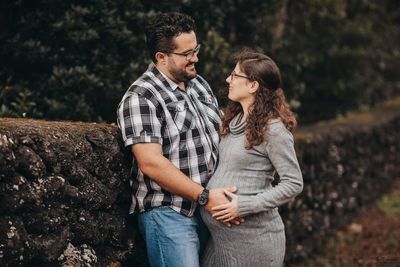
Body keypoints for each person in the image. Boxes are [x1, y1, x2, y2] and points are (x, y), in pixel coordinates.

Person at [117, 12, 237, 267]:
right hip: (169, 213)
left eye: (196, 49)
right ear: (161, 57)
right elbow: (150, 162)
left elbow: (222, 135)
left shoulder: (198, 84)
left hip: (209, 210)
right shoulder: (141, 97)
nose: (195, 58)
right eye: (187, 54)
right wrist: (204, 196)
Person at [200, 50, 304, 267]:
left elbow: (293, 183)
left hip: (255, 241)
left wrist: (245, 205)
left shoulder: (273, 130)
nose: (228, 79)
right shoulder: (232, 121)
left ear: (253, 85)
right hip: (222, 241)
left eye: (235, 75)